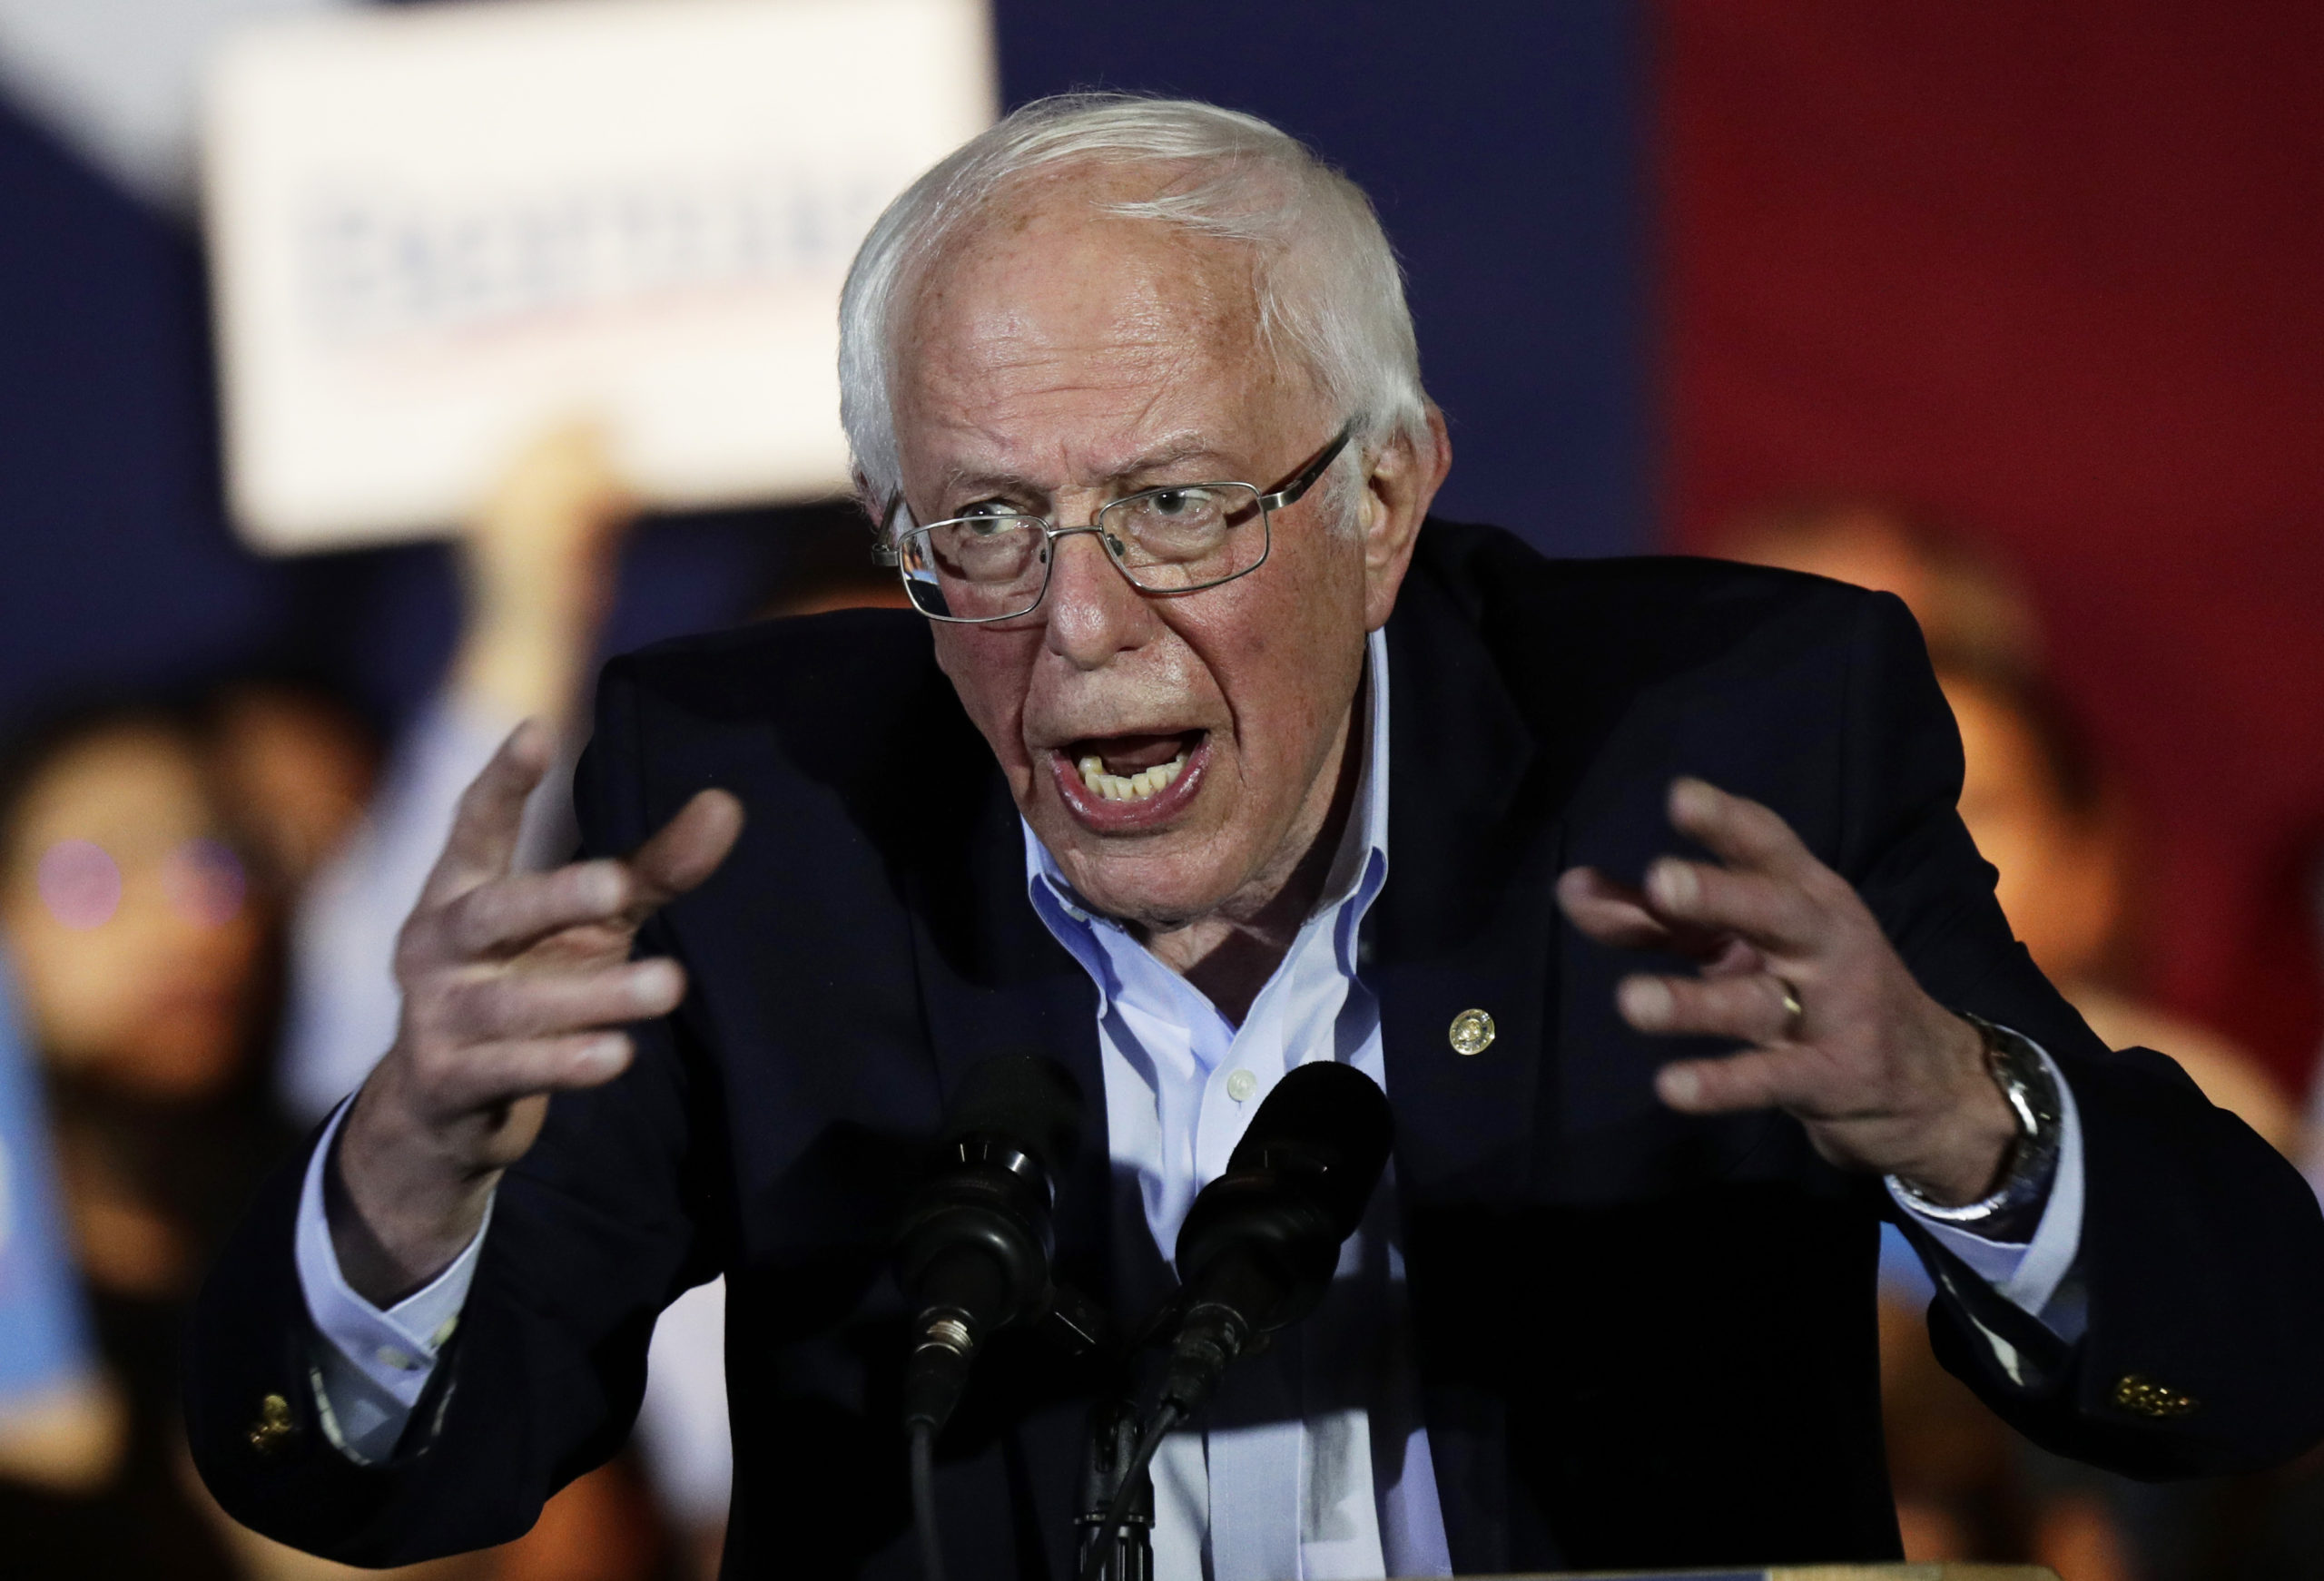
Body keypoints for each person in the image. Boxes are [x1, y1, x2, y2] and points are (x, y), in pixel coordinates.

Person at [186, 96, 2324, 1578]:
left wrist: (1958, 1121)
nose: (1076, 621)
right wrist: (397, 1185)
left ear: (1381, 502)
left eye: (1179, 504)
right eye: (985, 525)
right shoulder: (761, 816)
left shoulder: (1716, 744)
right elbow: (395, 1488)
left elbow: (2245, 1359)